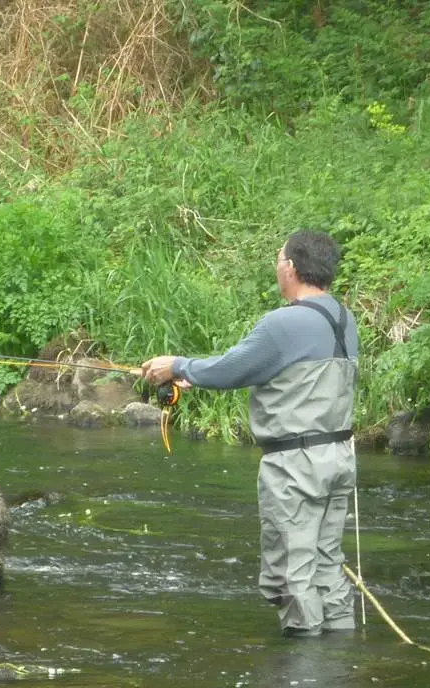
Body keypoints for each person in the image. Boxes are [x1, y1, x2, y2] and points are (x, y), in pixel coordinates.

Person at [141, 230, 359, 637]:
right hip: (338, 458)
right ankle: (342, 660)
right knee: (327, 564)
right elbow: (286, 373)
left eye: (278, 260)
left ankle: (306, 676)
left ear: (291, 267)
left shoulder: (283, 323)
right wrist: (193, 373)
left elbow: (231, 369)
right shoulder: (344, 319)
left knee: (290, 575)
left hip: (296, 465)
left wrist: (178, 365)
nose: (277, 268)